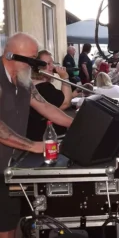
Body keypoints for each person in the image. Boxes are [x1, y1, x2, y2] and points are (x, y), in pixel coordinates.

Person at [0, 33, 73, 237]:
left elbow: (45, 106)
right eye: (31, 59)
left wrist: (76, 124)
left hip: (12, 166)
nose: (34, 65)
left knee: (12, 225)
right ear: (11, 55)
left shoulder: (23, 80)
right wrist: (32, 145)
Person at [27, 50, 76, 140]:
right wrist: (65, 78)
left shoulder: (35, 85)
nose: (52, 67)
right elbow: (65, 103)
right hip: (46, 138)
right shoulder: (43, 87)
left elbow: (55, 108)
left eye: (52, 63)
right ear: (37, 67)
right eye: (47, 64)